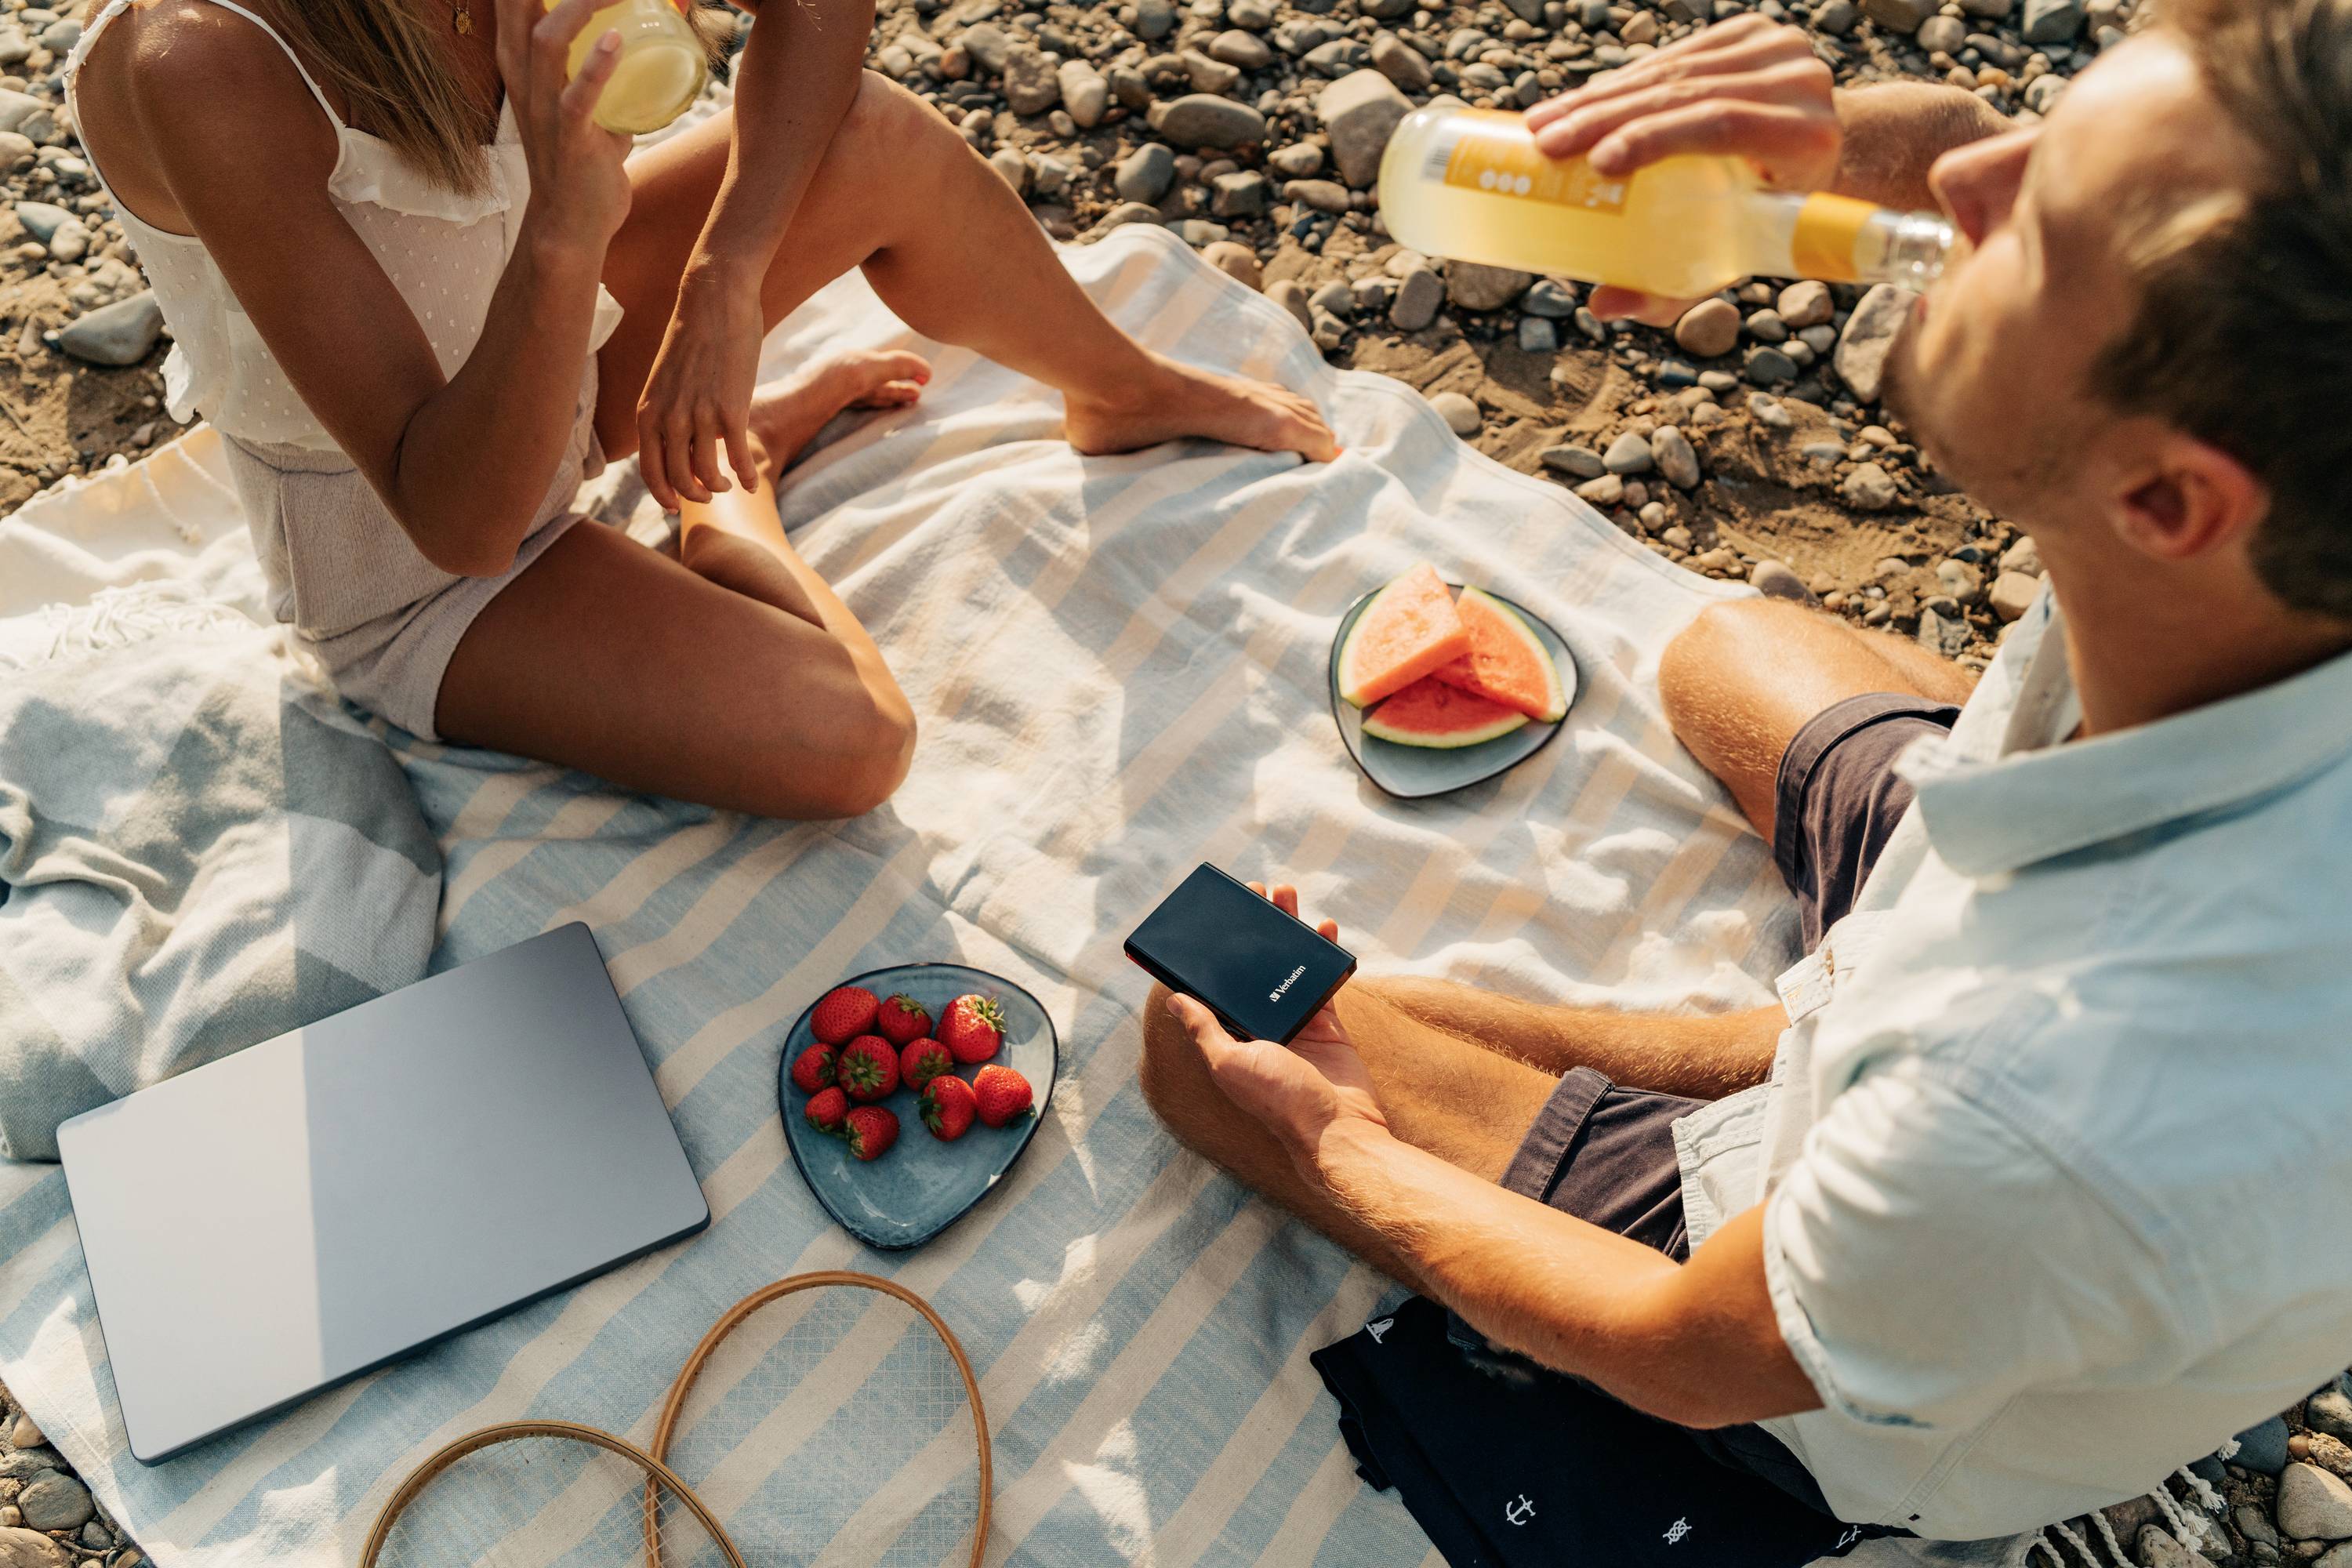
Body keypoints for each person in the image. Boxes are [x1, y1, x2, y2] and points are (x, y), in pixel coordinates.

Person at [1142, 0, 2352, 1542]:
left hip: (1825, 1364)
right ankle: (1796, 1042)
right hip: (2012, 971)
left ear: (2174, 498)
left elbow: (1689, 1356)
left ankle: (1788, 1081)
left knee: (1205, 1045)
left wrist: (1343, 1149)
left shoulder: (2048, 1108)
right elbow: (1965, 178)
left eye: (2039, 224)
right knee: (1725, 650)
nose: (1967, 176)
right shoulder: (2262, 549)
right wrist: (1835, 145)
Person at [64, 0, 1338, 819]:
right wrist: (570, 227)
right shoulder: (200, 59)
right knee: (850, 742)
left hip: (570, 349)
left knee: (874, 141)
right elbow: (459, 521)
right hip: (417, 546)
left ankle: (1119, 389)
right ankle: (727, 497)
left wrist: (725, 285)